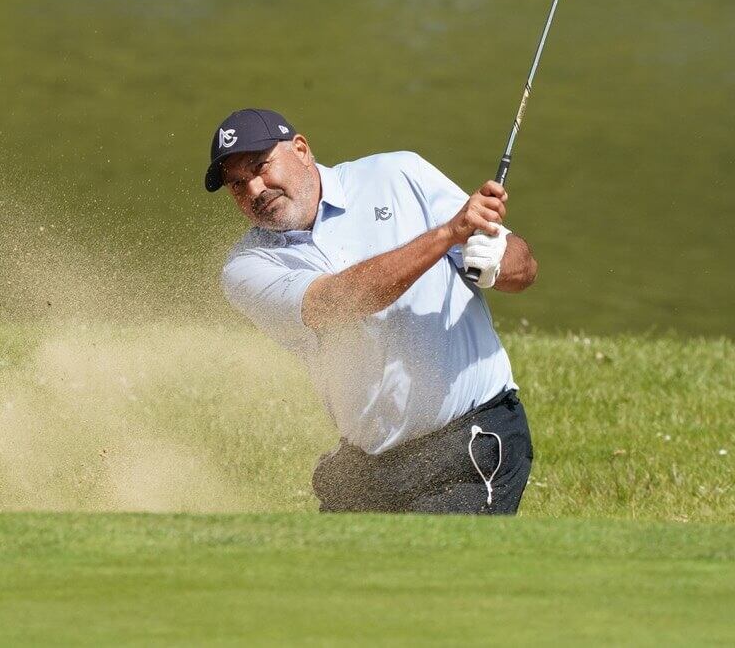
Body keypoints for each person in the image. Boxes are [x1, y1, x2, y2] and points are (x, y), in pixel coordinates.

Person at [206, 108, 538, 514]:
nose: (255, 189)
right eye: (237, 184)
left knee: (427, 573)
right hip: (368, 467)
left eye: (261, 166)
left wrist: (496, 261)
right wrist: (447, 234)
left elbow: (524, 270)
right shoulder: (247, 267)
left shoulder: (398, 176)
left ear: (301, 149)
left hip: (469, 440)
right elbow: (341, 300)